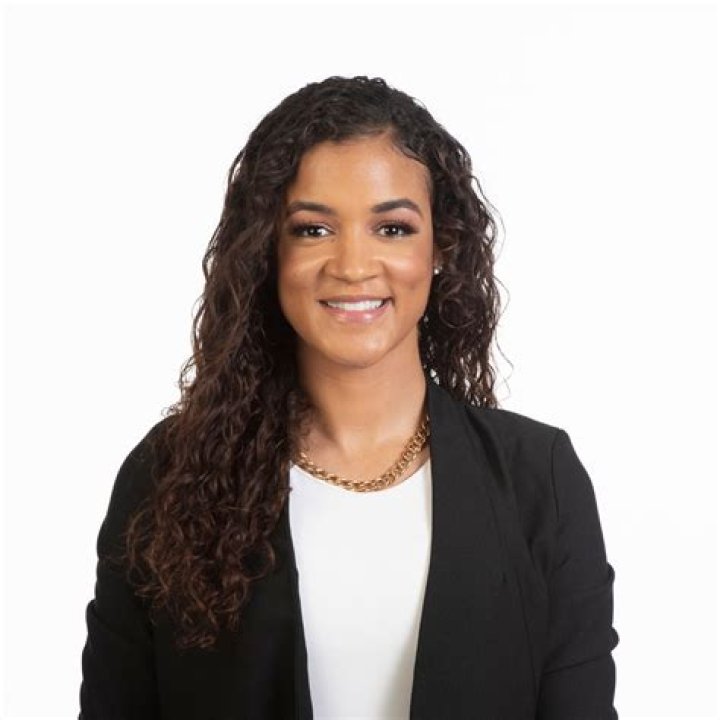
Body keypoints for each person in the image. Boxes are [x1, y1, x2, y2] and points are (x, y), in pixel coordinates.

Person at [79, 75, 619, 719]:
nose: (354, 265)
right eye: (313, 230)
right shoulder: (168, 477)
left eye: (392, 228)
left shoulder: (538, 479)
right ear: (267, 251)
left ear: (441, 246)